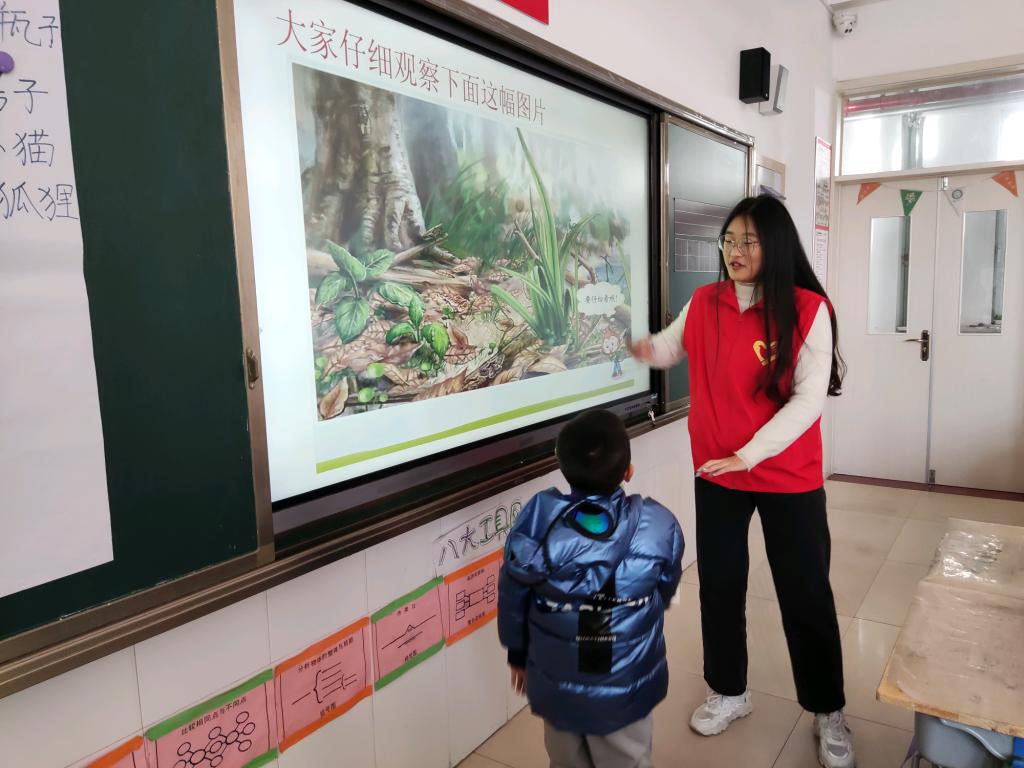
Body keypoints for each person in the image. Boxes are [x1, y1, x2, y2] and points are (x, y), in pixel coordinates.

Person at [630, 195, 855, 768]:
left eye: (748, 241)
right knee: (720, 585)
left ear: (774, 245)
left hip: (787, 474)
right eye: (729, 240)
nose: (735, 251)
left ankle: (828, 709)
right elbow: (668, 346)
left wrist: (749, 454)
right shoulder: (706, 302)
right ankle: (729, 691)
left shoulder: (808, 310)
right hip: (718, 472)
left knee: (804, 591)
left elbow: (808, 401)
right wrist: (631, 341)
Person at [498, 409, 684, 768]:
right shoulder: (657, 524)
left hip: (556, 681)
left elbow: (512, 595)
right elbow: (666, 586)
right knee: (627, 758)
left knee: (565, 759)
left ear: (563, 468)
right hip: (624, 684)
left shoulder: (539, 521)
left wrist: (517, 655)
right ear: (628, 471)